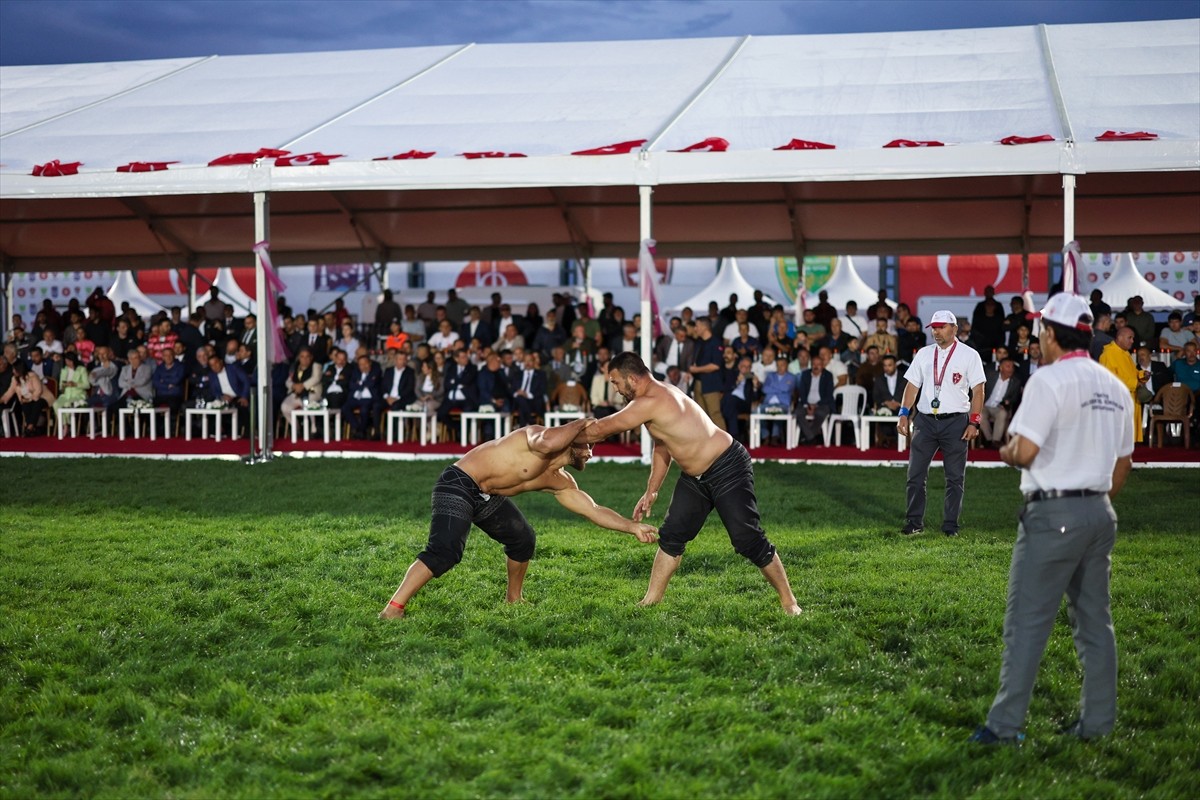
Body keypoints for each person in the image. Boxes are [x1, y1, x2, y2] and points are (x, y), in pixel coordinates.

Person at [970, 293, 1133, 746]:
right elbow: (1123, 466)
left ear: (1049, 333)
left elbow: (1025, 451)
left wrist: (1003, 449)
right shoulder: (1114, 386)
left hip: (1052, 513)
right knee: (1095, 625)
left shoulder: (1048, 381)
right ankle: (1097, 725)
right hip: (1100, 512)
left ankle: (1003, 728)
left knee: (1027, 622)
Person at [574, 352, 803, 615]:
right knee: (671, 536)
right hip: (695, 478)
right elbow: (663, 444)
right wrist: (652, 489)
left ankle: (789, 602)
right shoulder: (655, 396)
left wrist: (556, 435)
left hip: (727, 466)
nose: (614, 389)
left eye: (615, 382)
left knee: (747, 539)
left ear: (632, 379)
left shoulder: (650, 400)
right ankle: (650, 602)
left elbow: (600, 430)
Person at [379, 418, 658, 619]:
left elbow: (593, 509)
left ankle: (514, 599)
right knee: (445, 552)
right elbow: (549, 440)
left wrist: (631, 526)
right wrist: (582, 423)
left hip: (485, 496)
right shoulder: (536, 439)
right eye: (588, 446)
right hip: (459, 483)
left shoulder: (559, 479)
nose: (590, 453)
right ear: (573, 440)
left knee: (522, 539)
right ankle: (393, 608)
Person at [897, 310, 986, 537]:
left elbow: (978, 390)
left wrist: (974, 422)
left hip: (956, 421)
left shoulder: (969, 355)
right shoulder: (925, 354)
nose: (936, 331)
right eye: (934, 327)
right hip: (925, 421)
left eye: (941, 327)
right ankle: (914, 522)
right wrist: (904, 413)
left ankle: (950, 526)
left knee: (955, 478)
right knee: (915, 475)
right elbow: (912, 386)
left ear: (954, 329)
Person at [1098, 327, 1143, 445]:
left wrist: (1142, 375)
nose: (1132, 341)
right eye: (1130, 338)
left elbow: (1131, 373)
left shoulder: (1125, 354)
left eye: (1133, 338)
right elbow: (1110, 380)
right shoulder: (1108, 354)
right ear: (1119, 338)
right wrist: (1134, 383)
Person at [979, 358, 1021, 447]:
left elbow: (1015, 398)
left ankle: (995, 440)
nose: (1011, 369)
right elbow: (980, 388)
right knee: (980, 415)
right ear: (1000, 368)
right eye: (1008, 366)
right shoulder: (990, 375)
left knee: (1002, 414)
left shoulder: (1015, 382)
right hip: (986, 405)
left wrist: (1008, 402)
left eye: (1012, 367)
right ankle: (989, 439)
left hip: (999, 407)